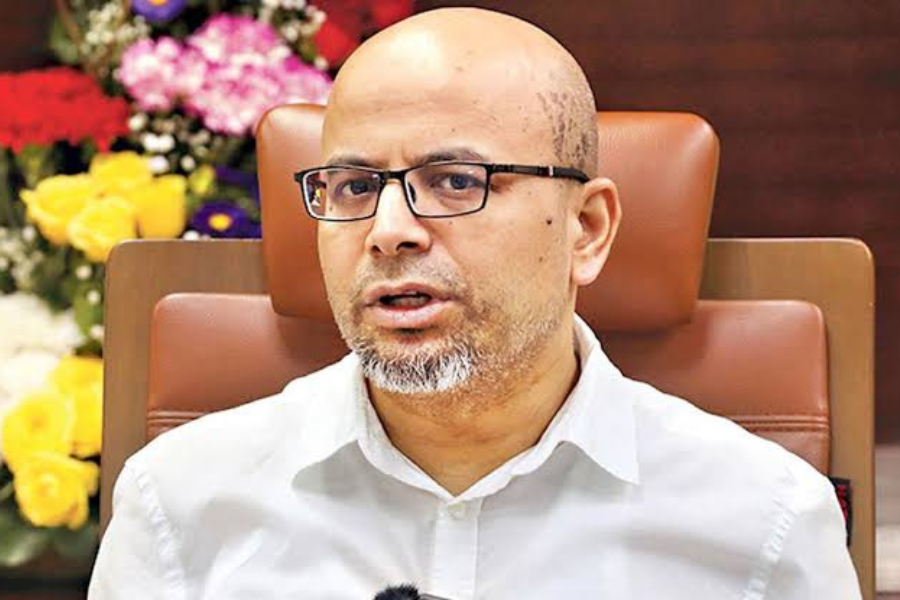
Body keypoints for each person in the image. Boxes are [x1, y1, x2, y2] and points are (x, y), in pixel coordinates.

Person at [88, 7, 861, 599]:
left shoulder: (765, 524)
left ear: (587, 229)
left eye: (456, 181)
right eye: (354, 187)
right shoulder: (181, 505)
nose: (388, 231)